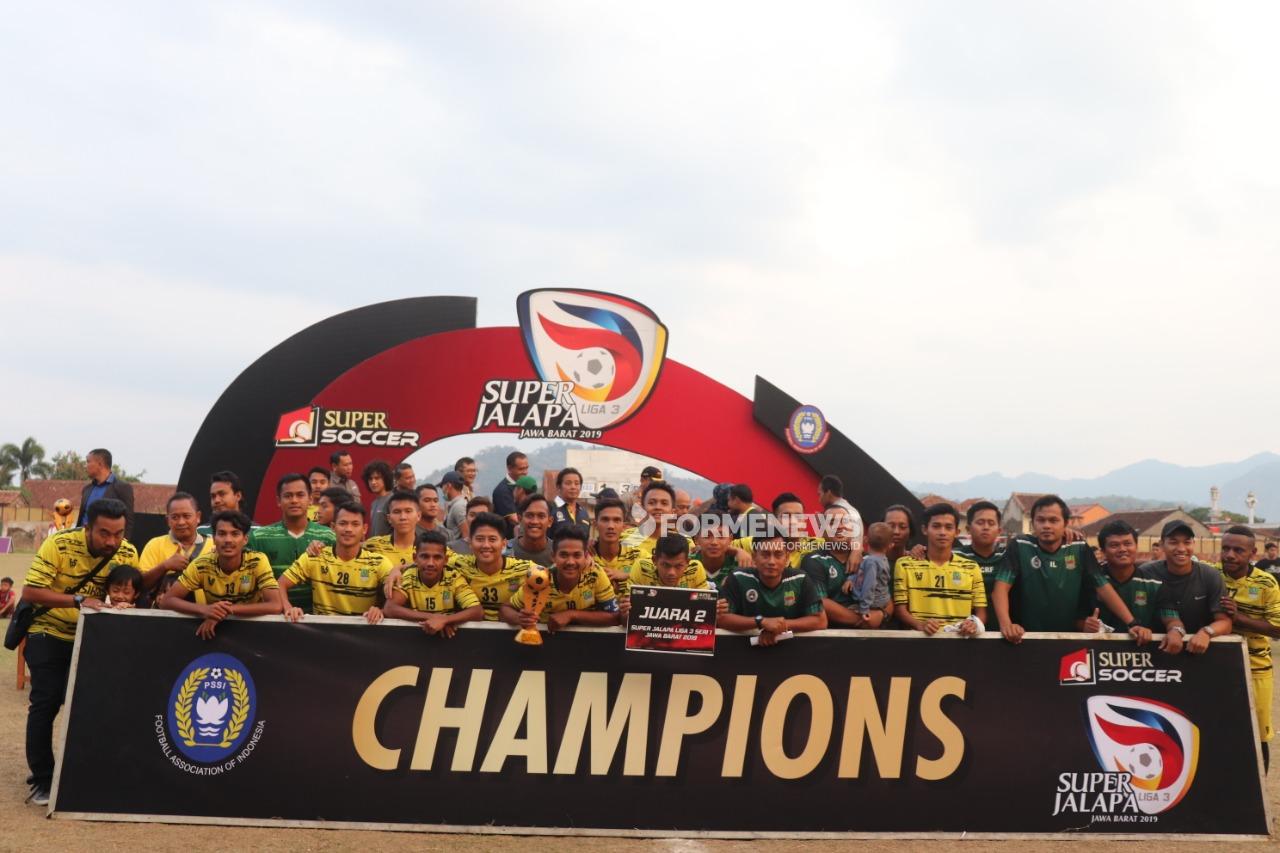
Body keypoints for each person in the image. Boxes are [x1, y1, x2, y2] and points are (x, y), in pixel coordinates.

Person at [22, 498, 139, 804]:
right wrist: (78, 601)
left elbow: (132, 588)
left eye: (118, 533)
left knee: (92, 706)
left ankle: (85, 773)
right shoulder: (58, 544)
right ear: (87, 527)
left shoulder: (128, 551)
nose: (112, 541)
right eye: (104, 533)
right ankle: (43, 779)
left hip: (93, 638)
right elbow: (31, 591)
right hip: (48, 631)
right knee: (46, 702)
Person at [993, 495, 1150, 645]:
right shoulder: (1020, 545)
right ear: (1033, 523)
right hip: (1025, 638)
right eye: (1040, 520)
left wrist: (1132, 623)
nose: (1046, 525)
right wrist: (1006, 625)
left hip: (1069, 639)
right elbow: (1000, 588)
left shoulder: (1079, 548)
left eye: (1053, 520)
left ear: (1065, 523)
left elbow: (1103, 587)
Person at [161, 510, 283, 639]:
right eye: (222, 534)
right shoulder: (201, 565)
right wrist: (205, 610)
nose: (228, 540)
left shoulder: (258, 561)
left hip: (254, 631)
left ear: (245, 539)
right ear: (214, 539)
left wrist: (222, 612)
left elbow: (275, 605)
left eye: (235, 534)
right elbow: (167, 601)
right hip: (215, 634)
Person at [1218, 526, 1280, 771]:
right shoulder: (1209, 574)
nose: (1230, 555)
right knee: (1217, 727)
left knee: (1258, 732)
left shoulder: (1266, 583)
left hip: (1257, 668)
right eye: (1225, 548)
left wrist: (1238, 618)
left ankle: (1259, 789)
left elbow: (1278, 629)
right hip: (1214, 666)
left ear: (1253, 553)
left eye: (1238, 550)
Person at [279, 503, 390, 623]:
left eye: (355, 524)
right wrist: (288, 608)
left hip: (362, 632)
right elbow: (280, 584)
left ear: (364, 529)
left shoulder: (379, 563)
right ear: (333, 527)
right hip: (322, 632)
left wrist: (382, 610)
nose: (348, 529)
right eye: (343, 523)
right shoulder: (315, 556)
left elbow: (397, 595)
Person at [500, 525, 621, 632]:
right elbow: (505, 609)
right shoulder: (539, 580)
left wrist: (571, 615)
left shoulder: (595, 574)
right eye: (564, 555)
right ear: (553, 557)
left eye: (577, 555)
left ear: (585, 556)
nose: (570, 562)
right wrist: (519, 618)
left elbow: (615, 617)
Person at [247, 473, 337, 614]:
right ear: (279, 501)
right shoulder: (258, 537)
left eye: (300, 495)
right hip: (272, 617)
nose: (294, 500)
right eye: (288, 496)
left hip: (318, 617)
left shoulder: (328, 536)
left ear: (310, 499)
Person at [718, 531, 827, 645]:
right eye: (765, 554)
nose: (771, 561)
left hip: (791, 648)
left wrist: (780, 626)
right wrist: (761, 622)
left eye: (778, 554)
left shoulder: (800, 579)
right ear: (754, 557)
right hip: (744, 649)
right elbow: (722, 619)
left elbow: (820, 620)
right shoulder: (738, 578)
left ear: (787, 558)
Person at [893, 505, 986, 636]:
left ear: (957, 532)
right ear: (925, 529)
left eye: (948, 527)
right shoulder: (904, 565)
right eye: (936, 526)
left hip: (959, 643)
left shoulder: (972, 567)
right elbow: (899, 610)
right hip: (919, 642)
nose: (942, 532)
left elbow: (981, 613)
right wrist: (919, 625)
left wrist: (973, 624)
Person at [1146, 520, 1232, 655]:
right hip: (1153, 651)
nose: (1181, 548)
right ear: (1162, 545)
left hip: (1198, 651)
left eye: (1187, 542)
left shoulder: (1210, 576)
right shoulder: (1147, 573)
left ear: (1194, 544)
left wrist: (1206, 632)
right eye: (1173, 542)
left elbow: (1225, 622)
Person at [383, 530, 483, 637]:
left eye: (437, 557)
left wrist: (446, 620)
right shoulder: (408, 576)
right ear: (415, 558)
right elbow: (390, 608)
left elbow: (477, 611)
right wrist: (434, 618)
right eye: (425, 556)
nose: (430, 563)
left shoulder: (453, 577)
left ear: (446, 560)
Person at [446, 511, 538, 621]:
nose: (486, 545)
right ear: (470, 542)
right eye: (480, 539)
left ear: (504, 544)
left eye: (492, 539)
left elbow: (550, 574)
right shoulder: (457, 564)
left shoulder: (525, 569)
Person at [1080, 520, 1168, 632]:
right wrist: (1085, 625)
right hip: (1097, 644)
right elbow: (1076, 618)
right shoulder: (1090, 580)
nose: (1122, 549)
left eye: (1127, 544)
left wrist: (1175, 629)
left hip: (1140, 643)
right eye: (1114, 545)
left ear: (1136, 546)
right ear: (1103, 551)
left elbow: (1170, 617)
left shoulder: (1154, 583)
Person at [138, 492, 210, 592]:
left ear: (198, 517)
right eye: (175, 517)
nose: (181, 522)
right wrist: (165, 566)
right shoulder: (154, 545)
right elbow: (140, 585)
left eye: (186, 516)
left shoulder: (213, 545)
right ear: (168, 520)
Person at [953, 501, 1007, 630]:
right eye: (980, 522)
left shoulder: (1007, 557)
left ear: (999, 530)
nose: (986, 527)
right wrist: (918, 550)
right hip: (964, 630)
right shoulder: (955, 556)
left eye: (991, 523)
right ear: (968, 529)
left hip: (1002, 631)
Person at [829, 520, 893, 628]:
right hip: (883, 599)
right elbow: (861, 571)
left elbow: (869, 585)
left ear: (865, 540)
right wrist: (851, 579)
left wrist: (864, 609)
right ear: (890, 545)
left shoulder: (871, 562)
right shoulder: (881, 559)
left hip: (873, 602)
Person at [76, 448, 135, 537]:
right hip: (81, 540)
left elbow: (129, 519)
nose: (85, 466)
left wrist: (123, 542)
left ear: (100, 464)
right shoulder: (87, 489)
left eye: (88, 462)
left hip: (106, 542)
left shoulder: (122, 488)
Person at [591, 497, 643, 590]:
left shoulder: (636, 555)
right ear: (595, 525)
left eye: (616, 520)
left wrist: (627, 575)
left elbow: (658, 570)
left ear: (623, 526)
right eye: (605, 520)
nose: (611, 526)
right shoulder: (585, 556)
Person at [364, 490, 423, 570]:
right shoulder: (373, 546)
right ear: (389, 518)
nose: (403, 517)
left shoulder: (427, 548)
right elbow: (363, 573)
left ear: (418, 516)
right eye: (397, 512)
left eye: (408, 511)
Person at [629, 534, 710, 589]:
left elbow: (705, 604)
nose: (671, 573)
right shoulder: (641, 568)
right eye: (665, 565)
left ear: (687, 563)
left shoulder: (695, 569)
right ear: (655, 560)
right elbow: (628, 601)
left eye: (678, 566)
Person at [195, 471, 247, 537]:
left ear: (238, 496)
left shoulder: (256, 533)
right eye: (213, 496)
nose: (216, 500)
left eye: (222, 494)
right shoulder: (199, 533)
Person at [692, 520, 738, 590]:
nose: (714, 542)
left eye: (721, 536)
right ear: (696, 539)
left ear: (730, 539)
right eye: (707, 536)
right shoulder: (685, 564)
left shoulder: (741, 565)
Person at [509, 493, 554, 565]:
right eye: (529, 516)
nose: (535, 521)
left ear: (550, 521)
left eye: (541, 516)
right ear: (520, 519)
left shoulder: (559, 552)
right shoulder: (505, 551)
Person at [818, 474, 864, 541]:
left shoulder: (838, 512)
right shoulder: (850, 509)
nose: (819, 500)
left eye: (819, 494)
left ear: (828, 493)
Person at [492, 451, 529, 531]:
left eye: (526, 468)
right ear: (509, 468)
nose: (525, 472)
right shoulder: (502, 490)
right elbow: (514, 519)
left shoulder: (524, 486)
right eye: (521, 469)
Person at [362, 459, 395, 537]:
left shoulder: (392, 500)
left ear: (385, 479)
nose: (373, 482)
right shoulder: (374, 503)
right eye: (370, 479)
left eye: (377, 478)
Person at [439, 471, 468, 539]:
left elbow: (466, 535)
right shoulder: (457, 504)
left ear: (448, 486)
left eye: (442, 487)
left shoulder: (459, 506)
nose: (442, 490)